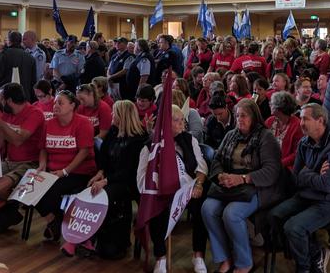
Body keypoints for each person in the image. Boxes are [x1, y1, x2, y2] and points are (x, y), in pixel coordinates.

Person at [268, 103, 330, 273]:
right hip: (307, 195)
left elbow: (328, 185)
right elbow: (296, 178)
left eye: (305, 119)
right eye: (300, 119)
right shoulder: (304, 142)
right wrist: (315, 173)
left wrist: (307, 173)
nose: (301, 123)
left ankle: (305, 267)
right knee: (274, 216)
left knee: (294, 227)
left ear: (320, 120)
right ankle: (315, 253)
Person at [202, 99, 283, 273]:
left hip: (256, 186)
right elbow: (217, 158)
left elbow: (272, 171)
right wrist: (220, 175)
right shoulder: (232, 134)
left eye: (244, 116)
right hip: (229, 184)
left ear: (254, 117)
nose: (240, 119)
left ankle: (244, 262)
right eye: (237, 115)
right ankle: (225, 257)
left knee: (231, 214)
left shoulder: (265, 137)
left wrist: (244, 178)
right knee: (207, 209)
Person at [137, 106, 208, 273]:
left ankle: (198, 255)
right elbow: (141, 179)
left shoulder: (190, 140)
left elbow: (201, 167)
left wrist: (198, 184)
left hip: (187, 189)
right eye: (177, 120)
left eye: (182, 120)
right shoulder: (150, 147)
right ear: (165, 123)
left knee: (202, 207)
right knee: (155, 207)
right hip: (160, 191)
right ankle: (160, 256)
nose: (182, 123)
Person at [35, 90, 97, 251]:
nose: (55, 105)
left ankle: (61, 223)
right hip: (53, 170)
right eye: (55, 102)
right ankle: (53, 220)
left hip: (79, 171)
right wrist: (42, 165)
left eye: (60, 102)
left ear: (72, 106)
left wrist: (65, 171)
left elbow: (84, 152)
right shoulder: (49, 123)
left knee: (49, 191)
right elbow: (43, 148)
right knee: (31, 188)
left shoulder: (83, 123)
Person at [88, 100, 148, 259]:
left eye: (115, 113)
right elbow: (104, 156)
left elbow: (129, 171)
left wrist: (105, 181)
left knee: (103, 194)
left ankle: (109, 241)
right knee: (89, 188)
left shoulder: (138, 139)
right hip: (111, 177)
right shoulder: (114, 131)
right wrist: (100, 172)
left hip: (129, 182)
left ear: (123, 116)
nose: (112, 115)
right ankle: (93, 238)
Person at [0, 82, 45, 232]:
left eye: (1, 99)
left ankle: (10, 210)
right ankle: (9, 211)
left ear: (9, 100)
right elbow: (1, 140)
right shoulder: (7, 113)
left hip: (30, 162)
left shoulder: (34, 113)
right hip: (9, 160)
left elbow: (18, 140)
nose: (0, 103)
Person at [0, 31, 36, 101]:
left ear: (9, 41)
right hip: (25, 96)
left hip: (7, 96)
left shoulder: (3, 55)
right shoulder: (30, 57)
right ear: (21, 41)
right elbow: (33, 80)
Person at [267, 91, 303, 170]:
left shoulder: (297, 125)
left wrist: (279, 164)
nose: (269, 105)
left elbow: (296, 153)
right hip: (267, 162)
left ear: (279, 108)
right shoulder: (270, 121)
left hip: (285, 167)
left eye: (272, 104)